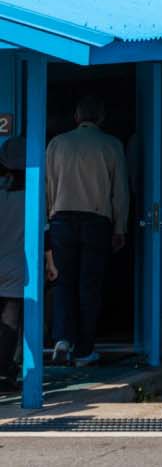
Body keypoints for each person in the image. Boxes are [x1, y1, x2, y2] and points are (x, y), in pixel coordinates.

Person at [43, 96, 128, 367]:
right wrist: (120, 227)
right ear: (101, 118)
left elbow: (47, 186)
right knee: (89, 285)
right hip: (97, 221)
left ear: (76, 117)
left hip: (61, 219)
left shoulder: (57, 143)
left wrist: (47, 221)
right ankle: (85, 348)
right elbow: (120, 192)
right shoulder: (111, 145)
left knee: (62, 282)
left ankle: (62, 340)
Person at [0, 137, 58, 392]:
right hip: (16, 264)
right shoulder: (34, 195)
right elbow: (44, 234)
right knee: (11, 322)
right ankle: (5, 372)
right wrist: (51, 263)